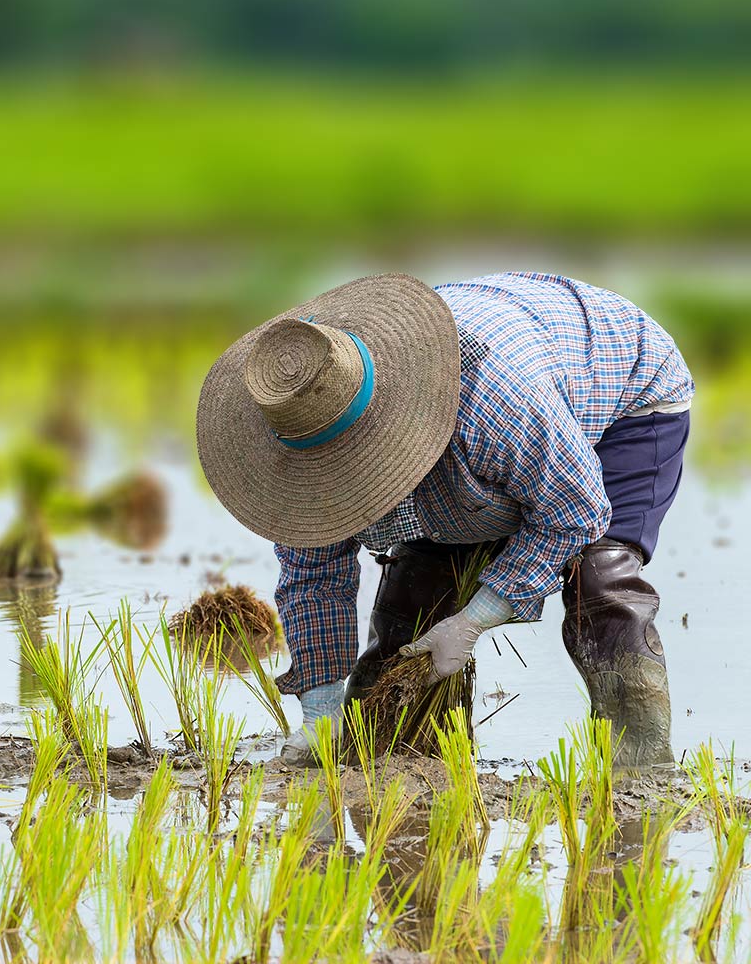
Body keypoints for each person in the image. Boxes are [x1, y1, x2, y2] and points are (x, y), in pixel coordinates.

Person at [194, 272, 692, 768]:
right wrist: (320, 712)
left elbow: (573, 511)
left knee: (599, 578)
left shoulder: (495, 403)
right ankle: (403, 760)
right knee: (415, 607)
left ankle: (640, 763)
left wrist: (475, 619)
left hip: (623, 390)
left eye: (349, 466)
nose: (337, 480)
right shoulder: (302, 439)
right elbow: (313, 576)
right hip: (494, 429)